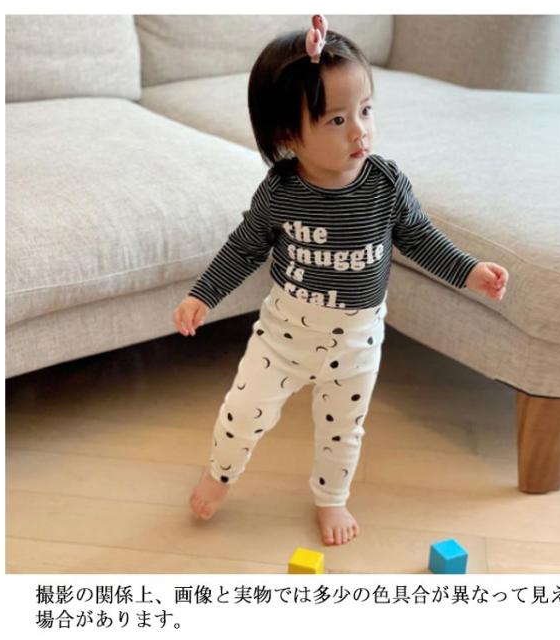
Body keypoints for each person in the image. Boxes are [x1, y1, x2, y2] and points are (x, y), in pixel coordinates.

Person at [173, 15, 508, 546]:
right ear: (288, 135)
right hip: (282, 339)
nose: (360, 131)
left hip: (356, 344)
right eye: (336, 119)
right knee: (241, 412)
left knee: (342, 432)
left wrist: (469, 271)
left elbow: (419, 238)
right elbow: (245, 245)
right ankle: (220, 474)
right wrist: (203, 294)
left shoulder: (386, 184)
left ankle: (332, 499)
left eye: (366, 110)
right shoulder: (281, 191)